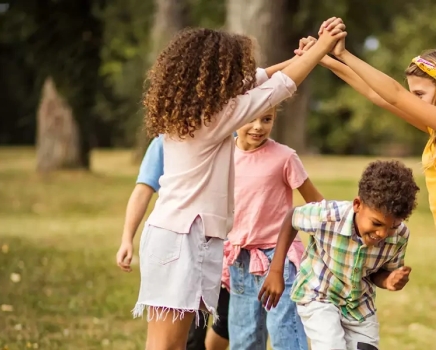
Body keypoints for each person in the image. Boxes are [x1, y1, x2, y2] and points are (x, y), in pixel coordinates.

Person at [132, 19, 347, 350]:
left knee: (169, 344)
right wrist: (322, 45)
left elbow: (262, 78)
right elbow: (281, 86)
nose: (240, 79)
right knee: (165, 346)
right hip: (180, 239)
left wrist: (303, 55)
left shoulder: (195, 110)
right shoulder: (215, 117)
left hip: (180, 236)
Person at [299, 26, 436, 350]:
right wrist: (324, 58)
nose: (413, 100)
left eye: (420, 94)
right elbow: (379, 97)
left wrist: (344, 53)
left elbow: (394, 93)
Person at [258, 160, 421, 350]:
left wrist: (389, 280)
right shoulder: (329, 216)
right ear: (357, 205)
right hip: (319, 295)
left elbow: (377, 273)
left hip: (359, 306)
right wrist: (276, 270)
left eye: (391, 226)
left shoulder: (400, 236)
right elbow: (293, 217)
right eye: (376, 223)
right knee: (331, 345)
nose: (382, 234)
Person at [219, 107, 323, 350]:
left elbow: (317, 204)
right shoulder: (221, 154)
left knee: (285, 337)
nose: (258, 127)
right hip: (240, 259)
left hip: (280, 258)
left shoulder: (284, 157)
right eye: (250, 118)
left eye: (266, 120)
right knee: (244, 341)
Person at [115, 136, 231, 350]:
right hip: (185, 250)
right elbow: (142, 190)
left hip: (225, 251)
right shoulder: (164, 143)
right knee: (183, 340)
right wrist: (126, 239)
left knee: (224, 327)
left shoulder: (229, 136)